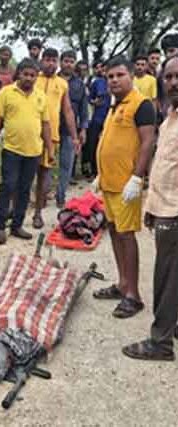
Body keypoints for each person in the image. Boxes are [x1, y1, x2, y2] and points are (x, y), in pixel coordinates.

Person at [90, 56, 156, 318]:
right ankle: (122, 284)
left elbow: (147, 142)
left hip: (126, 185)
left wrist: (137, 177)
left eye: (119, 75)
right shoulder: (114, 106)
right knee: (114, 231)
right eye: (110, 77)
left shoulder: (141, 105)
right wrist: (99, 174)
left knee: (127, 236)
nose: (114, 80)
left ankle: (134, 295)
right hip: (109, 183)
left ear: (130, 75)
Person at [122, 56, 178, 360]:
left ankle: (161, 343)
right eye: (168, 77)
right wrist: (152, 206)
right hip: (165, 206)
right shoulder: (170, 117)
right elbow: (165, 168)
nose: (173, 83)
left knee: (166, 278)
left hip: (176, 213)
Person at [0, 58, 53, 244]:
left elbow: (45, 124)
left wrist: (50, 148)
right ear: (18, 74)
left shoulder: (41, 96)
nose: (29, 78)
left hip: (34, 151)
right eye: (25, 74)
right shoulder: (6, 92)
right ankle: (0, 226)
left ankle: (17, 225)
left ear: (37, 77)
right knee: (8, 186)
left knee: (25, 189)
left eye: (33, 75)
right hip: (11, 149)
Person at [33, 48, 79, 228]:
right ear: (42, 60)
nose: (50, 64)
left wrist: (74, 136)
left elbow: (67, 111)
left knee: (45, 174)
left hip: (51, 136)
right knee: (25, 174)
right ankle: (15, 210)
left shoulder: (62, 84)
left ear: (57, 63)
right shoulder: (32, 77)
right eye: (47, 60)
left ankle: (38, 213)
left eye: (54, 60)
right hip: (31, 134)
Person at [57, 50, 88, 197]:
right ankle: (43, 193)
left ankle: (61, 194)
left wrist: (83, 129)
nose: (68, 64)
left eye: (71, 61)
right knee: (47, 163)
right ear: (60, 62)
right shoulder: (53, 81)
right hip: (51, 127)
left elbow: (83, 108)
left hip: (70, 129)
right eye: (66, 61)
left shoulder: (79, 84)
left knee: (67, 163)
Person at [84, 60, 110, 179]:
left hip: (110, 118)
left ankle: (106, 170)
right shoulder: (97, 82)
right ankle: (95, 170)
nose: (103, 72)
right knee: (94, 144)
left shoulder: (113, 82)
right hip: (97, 118)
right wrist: (94, 102)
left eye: (105, 69)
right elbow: (89, 97)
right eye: (102, 69)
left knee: (108, 144)